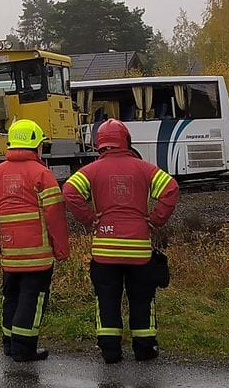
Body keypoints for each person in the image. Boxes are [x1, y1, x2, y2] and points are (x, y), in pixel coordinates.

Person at [62, 119, 179, 364]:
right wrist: (155, 219)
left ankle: (110, 351)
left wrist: (89, 218)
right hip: (138, 250)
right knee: (142, 299)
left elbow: (70, 191)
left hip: (105, 251)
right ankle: (145, 348)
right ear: (126, 140)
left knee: (106, 299)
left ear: (100, 144)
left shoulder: (91, 170)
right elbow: (170, 189)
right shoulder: (144, 168)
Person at [0, 119, 69, 362]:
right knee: (32, 300)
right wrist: (61, 250)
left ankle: (9, 343)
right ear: (35, 146)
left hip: (10, 255)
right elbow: (55, 216)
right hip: (37, 256)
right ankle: (24, 349)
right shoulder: (42, 174)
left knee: (12, 298)